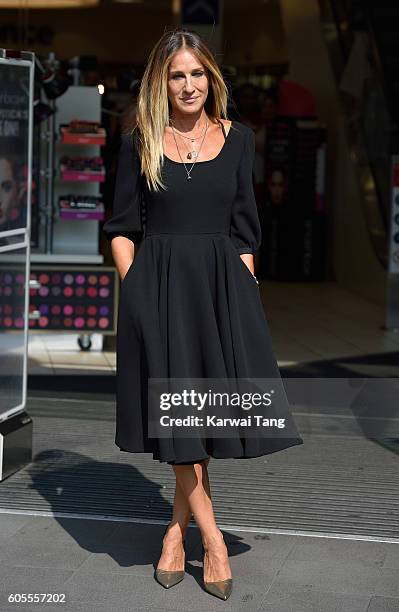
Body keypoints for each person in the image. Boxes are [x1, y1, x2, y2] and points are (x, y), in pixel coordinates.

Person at [103, 28, 303, 602]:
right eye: (176, 75)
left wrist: (245, 293)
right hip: (158, 291)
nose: (188, 85)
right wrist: (136, 288)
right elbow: (121, 228)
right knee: (177, 416)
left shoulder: (239, 139)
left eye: (197, 74)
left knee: (196, 418)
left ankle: (173, 532)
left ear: (211, 78)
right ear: (160, 82)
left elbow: (244, 228)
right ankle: (211, 541)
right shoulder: (138, 140)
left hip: (220, 291)